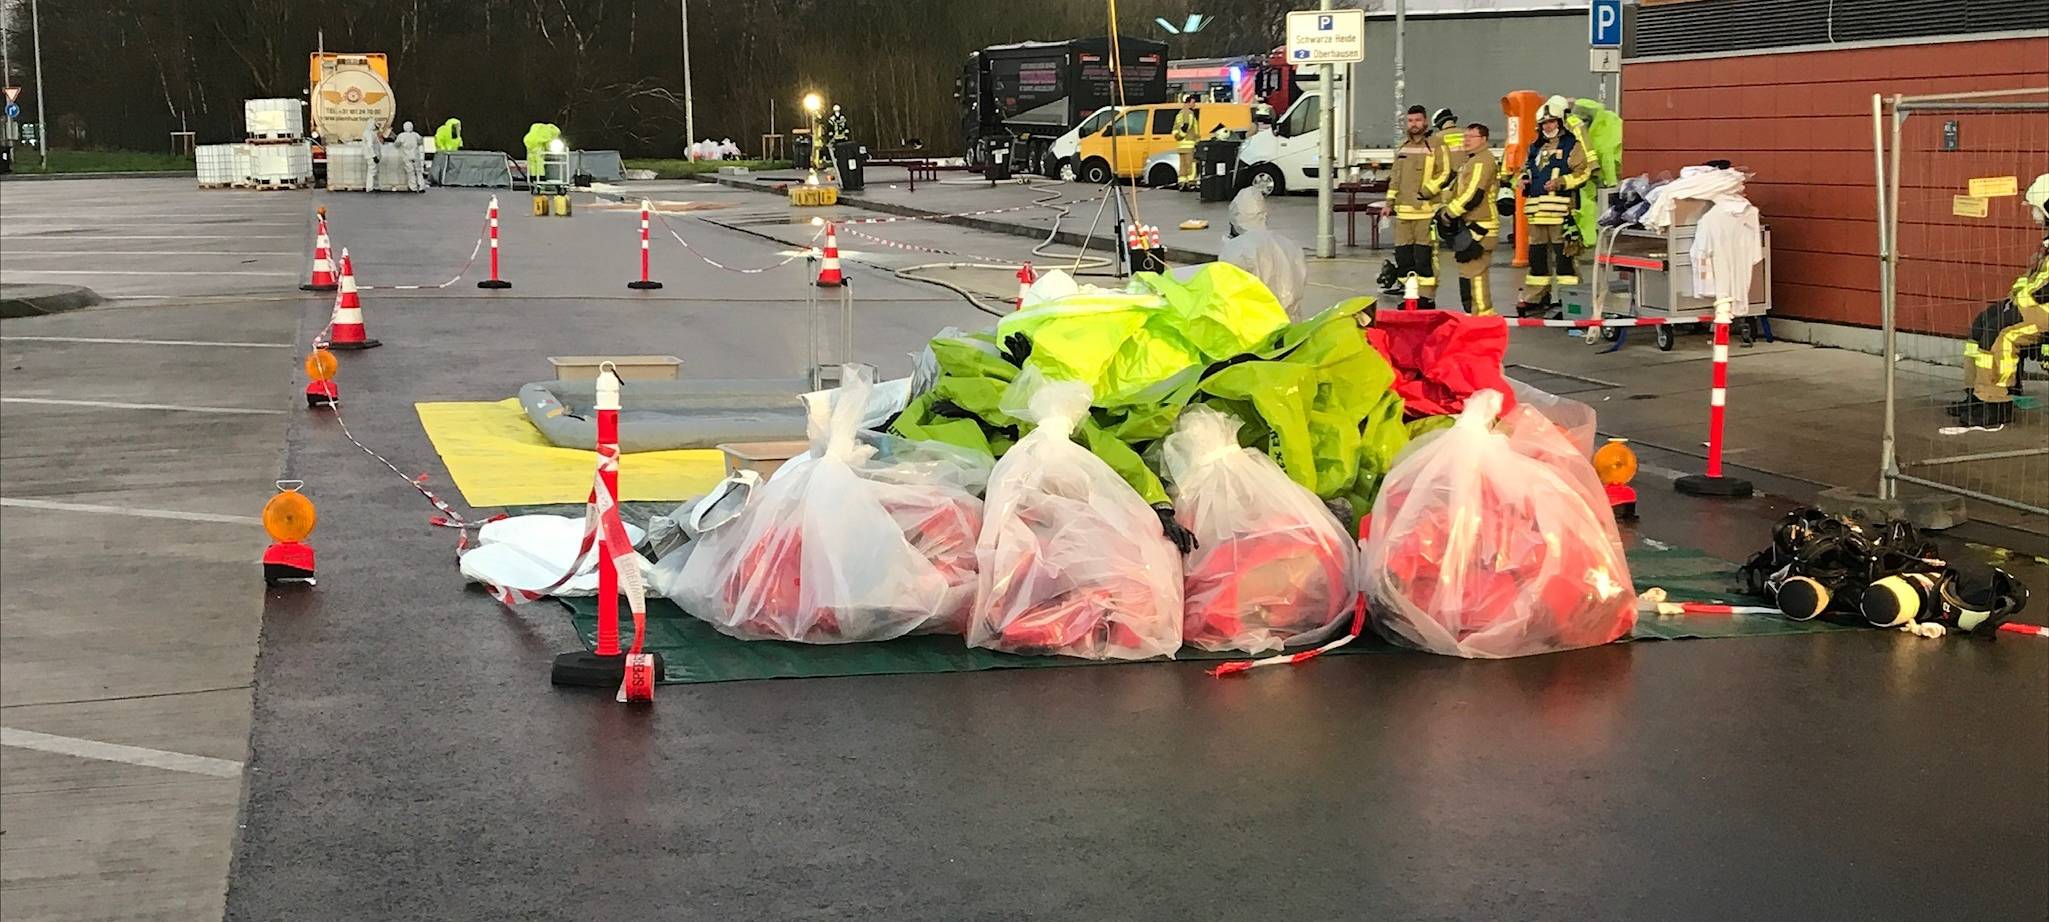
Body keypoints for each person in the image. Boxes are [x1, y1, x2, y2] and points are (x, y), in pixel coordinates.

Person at [1949, 173, 2049, 430]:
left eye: (2036, 209)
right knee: (1982, 324)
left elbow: (2044, 291)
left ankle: (1995, 404)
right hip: (2036, 308)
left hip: (2043, 310)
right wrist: (2012, 301)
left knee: (2002, 334)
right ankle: (1976, 394)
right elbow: (2033, 280)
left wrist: (2018, 305)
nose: (2033, 215)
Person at [1517, 96, 1592, 316]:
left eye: (1551, 122)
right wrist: (1523, 179)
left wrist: (1561, 182)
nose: (1548, 126)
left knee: (1564, 259)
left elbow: (1584, 172)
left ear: (1559, 122)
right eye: (1544, 123)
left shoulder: (1571, 145)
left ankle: (1571, 300)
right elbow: (1525, 170)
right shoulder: (1534, 148)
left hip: (1560, 213)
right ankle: (1536, 297)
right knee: (1537, 259)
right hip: (1536, 213)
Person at [1388, 105, 1450, 305]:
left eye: (1417, 120)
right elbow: (1395, 177)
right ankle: (1410, 296)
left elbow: (1445, 172)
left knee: (1424, 257)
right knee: (1404, 257)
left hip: (1426, 212)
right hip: (1403, 213)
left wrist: (1426, 192)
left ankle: (1426, 297)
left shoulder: (1437, 144)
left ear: (1425, 122)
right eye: (1410, 121)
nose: (1414, 124)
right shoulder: (1403, 146)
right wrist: (1389, 202)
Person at [1437, 123, 1501, 316]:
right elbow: (1457, 191)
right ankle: (1474, 314)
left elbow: (1473, 194)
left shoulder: (1482, 161)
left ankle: (1482, 316)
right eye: (1465, 137)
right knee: (1468, 272)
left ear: (1483, 139)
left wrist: (1449, 213)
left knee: (1475, 273)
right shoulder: (1471, 161)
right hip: (1472, 224)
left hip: (1481, 226)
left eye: (1471, 137)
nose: (1466, 141)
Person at [1219, 185, 1308, 317]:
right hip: (1288, 322)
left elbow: (1227, 294)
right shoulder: (1290, 246)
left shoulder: (1235, 249)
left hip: (1252, 323)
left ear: (1235, 219)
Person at [1172, 93, 1202, 188]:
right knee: (1191, 165)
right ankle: (1191, 183)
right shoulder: (1189, 113)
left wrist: (1179, 137)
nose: (1194, 105)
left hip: (1181, 145)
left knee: (1183, 166)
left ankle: (1182, 183)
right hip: (1189, 144)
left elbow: (1175, 130)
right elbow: (1187, 126)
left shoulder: (1179, 114)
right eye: (1193, 102)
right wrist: (1185, 135)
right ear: (1188, 103)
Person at [394, 120, 425, 192]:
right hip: (416, 155)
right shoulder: (416, 135)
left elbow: (396, 145)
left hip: (407, 156)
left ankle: (413, 187)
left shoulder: (401, 136)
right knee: (418, 171)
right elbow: (420, 142)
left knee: (410, 172)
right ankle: (421, 186)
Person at [361, 120, 385, 192]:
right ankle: (370, 187)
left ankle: (375, 186)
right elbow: (370, 146)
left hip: (372, 155)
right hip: (372, 156)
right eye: (374, 124)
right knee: (372, 171)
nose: (375, 126)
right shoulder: (369, 133)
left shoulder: (369, 132)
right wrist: (374, 156)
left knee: (375, 171)